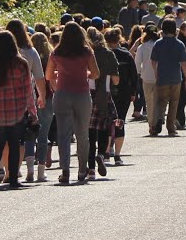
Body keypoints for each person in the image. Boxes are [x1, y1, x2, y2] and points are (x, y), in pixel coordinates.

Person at [0, 30, 35, 190]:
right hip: (16, 110)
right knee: (14, 145)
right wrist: (32, 111)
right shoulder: (21, 64)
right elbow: (27, 89)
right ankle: (13, 178)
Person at [44, 22, 98, 184]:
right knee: (82, 133)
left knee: (63, 134)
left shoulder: (56, 52)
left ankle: (65, 170)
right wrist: (85, 73)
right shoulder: (87, 51)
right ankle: (82, 170)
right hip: (82, 94)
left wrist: (60, 73)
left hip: (62, 94)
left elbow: (48, 75)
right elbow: (96, 73)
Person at [6, 20, 45, 182]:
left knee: (7, 135)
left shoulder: (2, 51)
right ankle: (27, 168)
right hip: (26, 96)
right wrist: (42, 95)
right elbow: (39, 77)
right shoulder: (30, 51)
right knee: (27, 133)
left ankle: (8, 170)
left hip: (4, 97)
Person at [147, 18, 186, 137]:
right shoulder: (179, 44)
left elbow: (153, 61)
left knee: (161, 101)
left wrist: (156, 74)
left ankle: (160, 119)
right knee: (174, 102)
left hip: (162, 76)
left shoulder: (158, 43)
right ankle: (171, 127)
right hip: (176, 77)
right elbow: (183, 63)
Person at [87, 27, 118, 178]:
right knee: (105, 126)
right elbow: (116, 80)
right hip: (104, 94)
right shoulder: (109, 54)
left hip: (87, 93)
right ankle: (101, 154)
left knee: (90, 132)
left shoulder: (86, 54)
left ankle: (91, 169)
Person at [28, 29, 55, 181]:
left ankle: (29, 168)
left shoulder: (29, 58)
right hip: (48, 97)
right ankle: (41, 170)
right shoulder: (50, 60)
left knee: (30, 133)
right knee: (43, 135)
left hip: (30, 97)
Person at [106, 28, 135, 165]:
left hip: (107, 92)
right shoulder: (126, 55)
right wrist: (133, 92)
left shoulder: (103, 54)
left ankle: (107, 152)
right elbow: (133, 75)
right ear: (119, 39)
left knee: (107, 122)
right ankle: (117, 155)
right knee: (120, 121)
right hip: (124, 92)